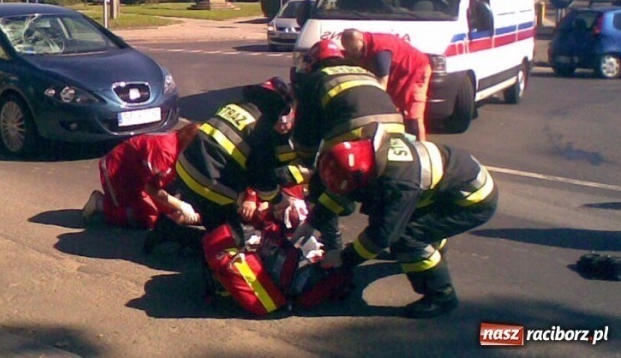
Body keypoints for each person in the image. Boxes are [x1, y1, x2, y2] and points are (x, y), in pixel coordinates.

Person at [310, 133, 498, 318]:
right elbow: (344, 190)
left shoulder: (398, 184)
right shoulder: (369, 151)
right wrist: (312, 220)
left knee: (406, 238)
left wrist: (345, 259)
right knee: (403, 224)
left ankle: (441, 295)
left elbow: (382, 235)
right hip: (451, 182)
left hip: (472, 201)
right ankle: (433, 248)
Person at [290, 39, 406, 263]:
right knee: (386, 189)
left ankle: (332, 247)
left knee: (325, 181)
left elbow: (307, 133)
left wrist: (306, 162)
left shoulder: (316, 80)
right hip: (395, 134)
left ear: (314, 62)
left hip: (358, 135)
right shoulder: (364, 71)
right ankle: (402, 241)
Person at [172, 77, 303, 240]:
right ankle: (177, 235)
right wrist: (279, 199)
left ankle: (168, 227)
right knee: (232, 240)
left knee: (217, 216)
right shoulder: (263, 127)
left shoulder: (235, 106)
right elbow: (260, 175)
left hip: (184, 168)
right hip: (208, 185)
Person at [82, 122, 201, 229]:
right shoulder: (165, 152)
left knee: (162, 213)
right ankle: (99, 203)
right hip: (118, 171)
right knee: (144, 218)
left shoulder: (178, 148)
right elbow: (151, 188)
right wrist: (180, 205)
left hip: (141, 174)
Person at [341, 28, 432, 141]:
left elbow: (381, 87)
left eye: (355, 50)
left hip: (416, 70)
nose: (353, 54)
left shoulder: (380, 52)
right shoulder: (359, 49)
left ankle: (421, 146)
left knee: (413, 114)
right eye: (349, 51)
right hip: (397, 75)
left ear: (361, 39)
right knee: (394, 110)